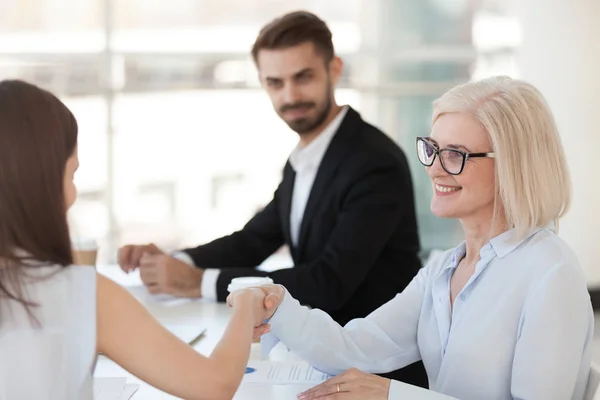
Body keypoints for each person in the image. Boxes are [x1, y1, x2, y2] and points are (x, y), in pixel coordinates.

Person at [118, 11, 428, 388]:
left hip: (375, 371)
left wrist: (198, 281)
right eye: (275, 83)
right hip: (320, 355)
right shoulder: (304, 158)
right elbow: (253, 240)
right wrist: (173, 262)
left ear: (334, 69)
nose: (290, 96)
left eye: (303, 77)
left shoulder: (373, 161)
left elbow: (329, 281)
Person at [240, 76, 595, 400]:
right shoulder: (444, 269)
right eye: (432, 148)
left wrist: (393, 396)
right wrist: (280, 305)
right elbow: (355, 347)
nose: (434, 168)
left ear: (513, 166)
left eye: (455, 154)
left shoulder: (551, 275)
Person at [0, 79, 278, 399]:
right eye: (71, 175)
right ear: (41, 183)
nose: (72, 194)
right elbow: (214, 384)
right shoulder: (83, 294)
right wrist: (245, 304)